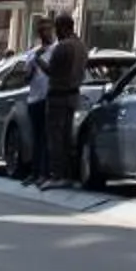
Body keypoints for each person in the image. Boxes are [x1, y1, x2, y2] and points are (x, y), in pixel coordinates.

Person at [37, 12, 85, 189]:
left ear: (63, 28)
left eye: (57, 28)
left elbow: (51, 71)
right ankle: (69, 175)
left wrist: (38, 60)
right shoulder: (81, 46)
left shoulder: (63, 47)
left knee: (55, 137)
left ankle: (58, 175)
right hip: (73, 95)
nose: (56, 32)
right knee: (67, 137)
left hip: (58, 95)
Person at [19, 17, 52, 187]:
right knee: (35, 137)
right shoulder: (32, 52)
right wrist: (31, 68)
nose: (45, 33)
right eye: (42, 30)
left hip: (48, 98)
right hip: (34, 99)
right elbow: (26, 78)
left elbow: (52, 72)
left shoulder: (55, 50)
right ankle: (34, 172)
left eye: (47, 29)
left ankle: (44, 174)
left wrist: (39, 60)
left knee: (45, 138)